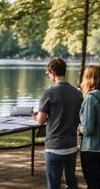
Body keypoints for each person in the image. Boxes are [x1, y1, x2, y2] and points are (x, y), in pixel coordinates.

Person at [33, 57, 82, 189]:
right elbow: (78, 118)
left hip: (54, 146)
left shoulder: (48, 93)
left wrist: (36, 115)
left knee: (53, 185)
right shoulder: (78, 94)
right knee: (71, 181)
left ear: (53, 72)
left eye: (49, 74)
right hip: (71, 145)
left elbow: (41, 120)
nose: (49, 77)